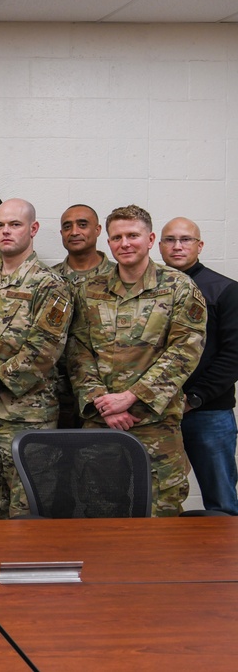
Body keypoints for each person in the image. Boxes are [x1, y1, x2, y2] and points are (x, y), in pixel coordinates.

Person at [68, 205, 206, 516]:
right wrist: (102, 402)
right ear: (108, 242)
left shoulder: (179, 287)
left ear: (150, 239)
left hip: (153, 425)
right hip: (101, 423)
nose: (125, 243)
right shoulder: (90, 289)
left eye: (133, 235)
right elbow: (78, 350)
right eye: (117, 237)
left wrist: (131, 398)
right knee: (99, 513)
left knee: (160, 518)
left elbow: (185, 351)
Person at [0, 198, 72, 519]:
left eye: (14, 225)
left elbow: (45, 348)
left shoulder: (49, 285)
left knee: (28, 507)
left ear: (33, 229)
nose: (5, 231)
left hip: (27, 415)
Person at [159, 217, 237, 514]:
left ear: (199, 245)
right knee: (156, 495)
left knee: (221, 500)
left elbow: (233, 356)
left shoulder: (224, 290)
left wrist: (194, 398)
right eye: (170, 240)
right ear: (158, 244)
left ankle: (227, 560)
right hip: (156, 412)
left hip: (207, 413)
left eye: (185, 239)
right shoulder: (151, 290)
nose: (177, 246)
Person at [53, 204, 115, 428]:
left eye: (82, 224)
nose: (74, 232)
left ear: (98, 230)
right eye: (67, 227)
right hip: (56, 393)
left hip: (107, 392)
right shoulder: (48, 279)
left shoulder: (119, 277)